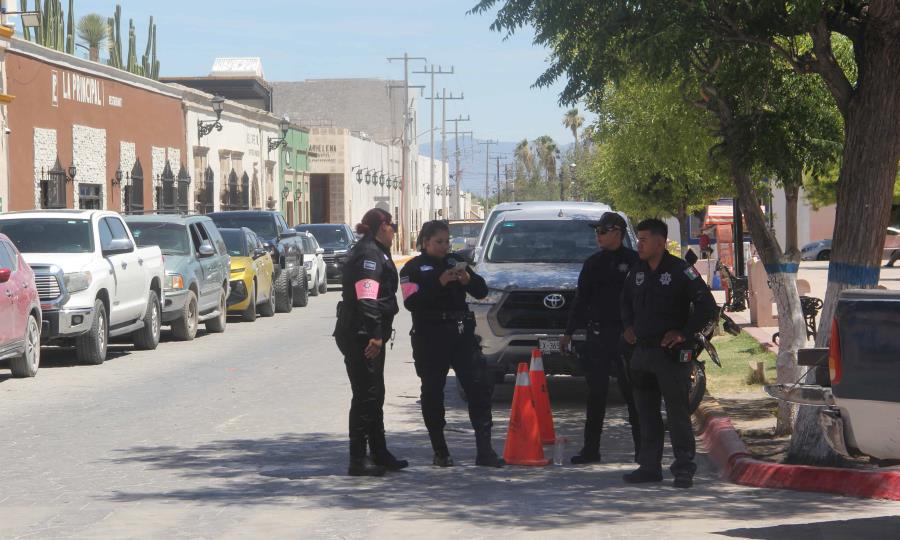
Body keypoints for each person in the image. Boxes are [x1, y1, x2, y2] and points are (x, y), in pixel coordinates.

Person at [621, 218, 717, 488]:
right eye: (638, 239)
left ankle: (683, 468)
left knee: (677, 413)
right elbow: (624, 302)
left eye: (644, 240)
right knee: (646, 412)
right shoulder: (636, 271)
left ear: (660, 243)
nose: (639, 245)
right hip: (642, 353)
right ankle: (649, 466)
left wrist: (684, 333)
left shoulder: (680, 271)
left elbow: (707, 306)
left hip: (670, 355)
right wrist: (627, 326)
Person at [399, 220, 504, 468]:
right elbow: (411, 302)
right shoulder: (413, 268)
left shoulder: (455, 261)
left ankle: (485, 451)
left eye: (447, 241)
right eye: (439, 242)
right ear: (426, 242)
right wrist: (440, 282)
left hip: (460, 333)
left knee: (478, 388)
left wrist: (467, 279)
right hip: (430, 336)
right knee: (432, 393)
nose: (444, 246)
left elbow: (481, 291)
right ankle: (441, 451)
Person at [560, 212, 641, 465]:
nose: (598, 235)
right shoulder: (593, 263)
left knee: (634, 396)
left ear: (617, 233)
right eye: (596, 231)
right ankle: (590, 450)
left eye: (602, 231)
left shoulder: (635, 262)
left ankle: (644, 452)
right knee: (596, 395)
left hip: (626, 337)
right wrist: (569, 332)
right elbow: (581, 300)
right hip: (598, 336)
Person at [334, 208, 407, 477]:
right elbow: (367, 297)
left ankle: (379, 452)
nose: (394, 231)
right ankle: (358, 459)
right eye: (392, 225)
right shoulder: (369, 254)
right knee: (366, 395)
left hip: (368, 332)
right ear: (382, 226)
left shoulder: (375, 250)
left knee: (375, 393)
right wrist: (375, 334)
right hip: (362, 335)